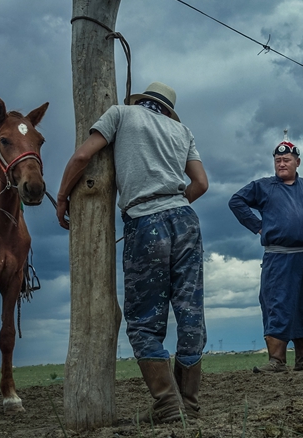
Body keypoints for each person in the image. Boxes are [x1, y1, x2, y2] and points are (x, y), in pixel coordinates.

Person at [56, 82, 209, 422]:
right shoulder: (182, 131)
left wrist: (64, 195)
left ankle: (169, 407)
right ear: (168, 110)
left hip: (145, 221)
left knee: (143, 322)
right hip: (186, 220)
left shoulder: (121, 114)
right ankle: (191, 405)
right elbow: (201, 183)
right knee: (190, 312)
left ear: (142, 100)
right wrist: (174, 204)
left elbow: (83, 156)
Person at [228, 138, 303, 373]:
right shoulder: (263, 186)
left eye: (286, 160)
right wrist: (257, 225)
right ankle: (276, 361)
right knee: (277, 303)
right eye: (278, 160)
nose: (281, 164)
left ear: (298, 162)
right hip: (279, 257)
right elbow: (236, 201)